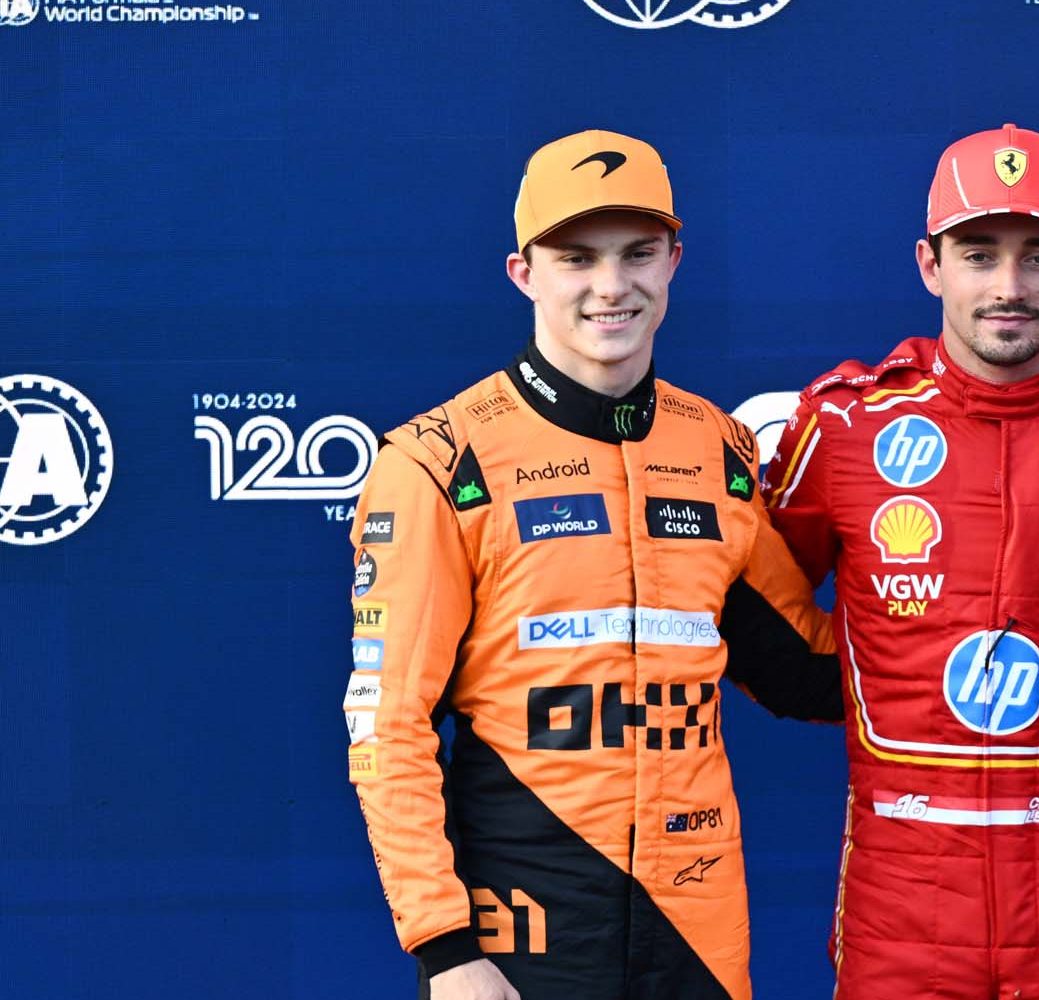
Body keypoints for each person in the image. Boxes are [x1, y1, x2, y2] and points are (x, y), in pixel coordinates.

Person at [344, 129, 843, 1000]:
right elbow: (389, 726)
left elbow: (803, 670)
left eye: (638, 254)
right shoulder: (438, 460)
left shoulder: (719, 447)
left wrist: (970, 610)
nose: (612, 287)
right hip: (524, 923)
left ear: (675, 261)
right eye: (577, 257)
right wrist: (445, 949)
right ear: (523, 273)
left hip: (698, 920)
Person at [759, 124, 1039, 999]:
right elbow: (755, 613)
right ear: (930, 265)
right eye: (978, 254)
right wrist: (888, 713)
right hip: (900, 899)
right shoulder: (848, 424)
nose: (1008, 288)